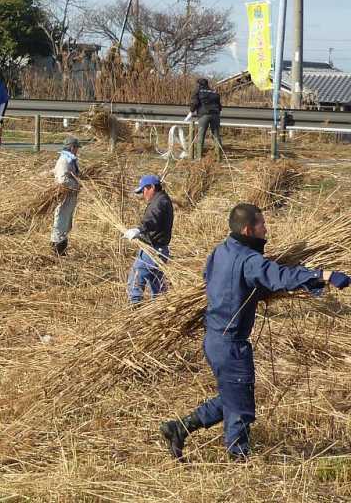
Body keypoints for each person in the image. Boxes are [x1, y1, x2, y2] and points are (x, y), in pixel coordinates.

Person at [159, 203, 351, 461]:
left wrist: (252, 292)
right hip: (230, 343)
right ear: (249, 230)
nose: (266, 227)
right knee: (241, 407)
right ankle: (239, 460)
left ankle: (179, 428)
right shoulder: (250, 260)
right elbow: (280, 276)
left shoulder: (220, 251)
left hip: (213, 338)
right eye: (262, 224)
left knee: (233, 395)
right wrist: (323, 275)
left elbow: (215, 279)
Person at [123, 175, 174, 305]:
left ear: (151, 187)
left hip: (152, 250)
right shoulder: (162, 199)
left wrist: (139, 230)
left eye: (144, 190)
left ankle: (134, 308)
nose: (143, 194)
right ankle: (161, 310)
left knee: (135, 278)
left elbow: (152, 219)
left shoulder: (159, 202)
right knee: (156, 282)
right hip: (160, 250)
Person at [50, 136, 82, 256]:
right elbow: (62, 180)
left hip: (71, 195)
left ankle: (61, 248)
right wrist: (77, 184)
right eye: (76, 148)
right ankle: (57, 249)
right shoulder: (64, 160)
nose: (77, 150)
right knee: (61, 221)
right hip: (65, 195)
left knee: (66, 222)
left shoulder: (70, 160)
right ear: (72, 147)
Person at [190, 77, 223, 160]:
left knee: (201, 136)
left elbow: (195, 102)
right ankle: (219, 158)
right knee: (216, 136)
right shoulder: (214, 92)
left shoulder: (198, 91)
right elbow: (219, 106)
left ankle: (199, 158)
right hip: (215, 115)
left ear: (199, 84)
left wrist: (192, 110)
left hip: (204, 115)